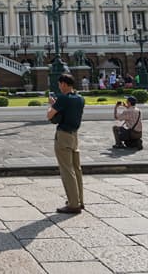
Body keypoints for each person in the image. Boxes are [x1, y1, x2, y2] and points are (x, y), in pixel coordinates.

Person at [47, 74, 85, 214]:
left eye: (59, 84)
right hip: (74, 135)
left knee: (67, 170)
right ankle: (79, 200)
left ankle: (73, 204)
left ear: (63, 84)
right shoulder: (80, 98)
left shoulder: (63, 98)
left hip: (63, 135)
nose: (59, 87)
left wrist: (52, 104)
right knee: (76, 169)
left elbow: (50, 115)